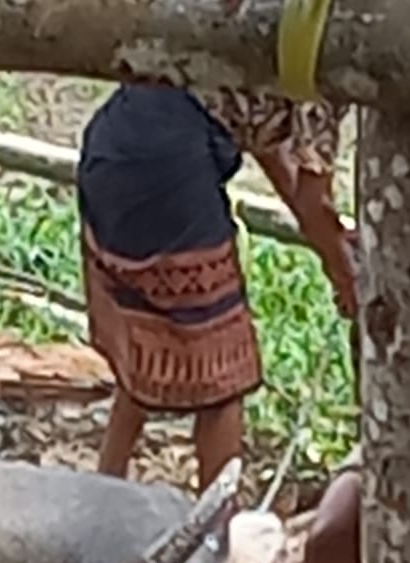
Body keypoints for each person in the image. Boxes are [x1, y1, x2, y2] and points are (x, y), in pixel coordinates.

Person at [77, 82, 357, 493]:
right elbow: (314, 195)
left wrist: (327, 243)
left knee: (148, 328)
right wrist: (343, 271)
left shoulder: (267, 29)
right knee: (222, 371)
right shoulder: (323, 71)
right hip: (170, 169)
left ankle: (103, 488)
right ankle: (217, 535)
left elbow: (272, 151)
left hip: (114, 142)